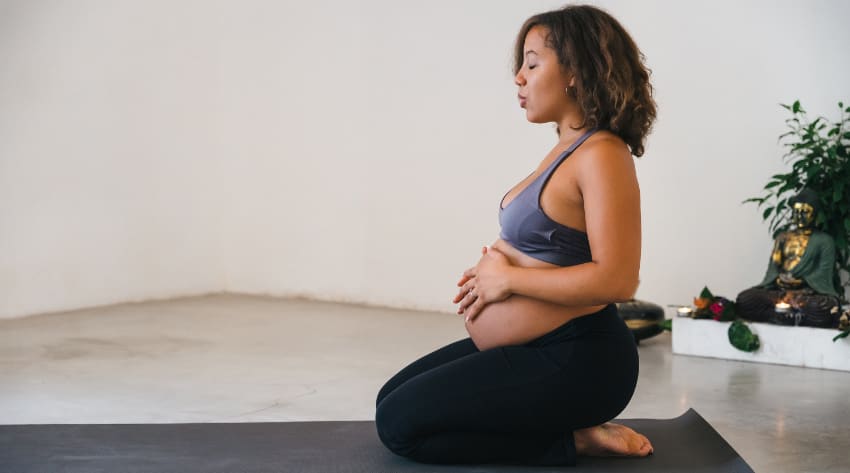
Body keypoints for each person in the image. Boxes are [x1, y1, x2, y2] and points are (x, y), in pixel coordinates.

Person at [375, 4, 657, 466]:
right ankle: (562, 426)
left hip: (580, 358)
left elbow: (617, 280)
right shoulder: (564, 149)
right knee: (391, 399)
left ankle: (574, 440)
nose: (519, 79)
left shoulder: (603, 153)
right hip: (534, 348)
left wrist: (506, 282)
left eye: (532, 62)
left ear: (574, 71)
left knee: (399, 427)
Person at [736, 189, 841, 327]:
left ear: (814, 214)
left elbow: (823, 273)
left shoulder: (824, 241)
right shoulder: (782, 237)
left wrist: (800, 282)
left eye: (804, 212)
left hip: (808, 294)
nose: (799, 216)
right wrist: (779, 279)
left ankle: (782, 315)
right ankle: (786, 316)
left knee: (822, 306)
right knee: (745, 299)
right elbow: (773, 269)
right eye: (796, 212)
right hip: (780, 292)